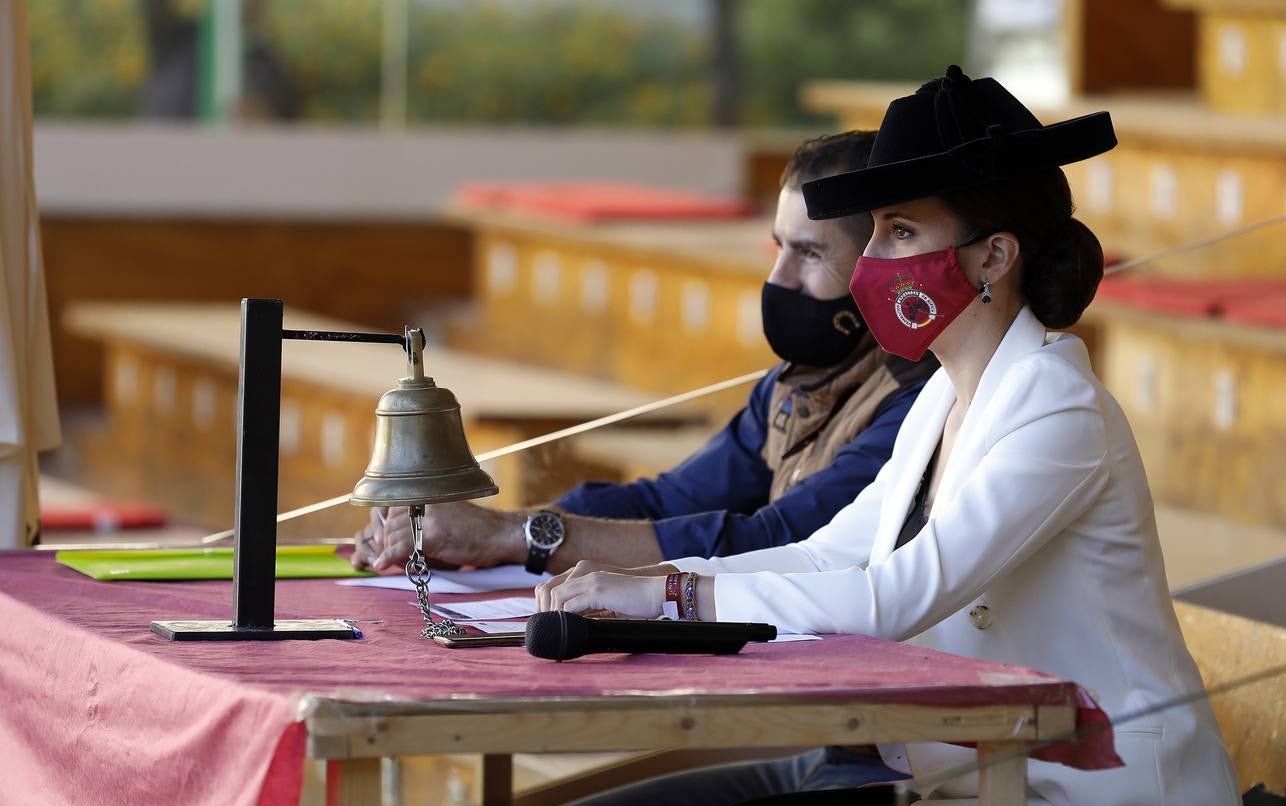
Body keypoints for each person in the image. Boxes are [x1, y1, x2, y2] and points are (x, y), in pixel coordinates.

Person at [534, 66, 1246, 806]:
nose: (870, 260)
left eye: (899, 232)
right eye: (872, 232)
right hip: (991, 790)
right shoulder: (944, 392)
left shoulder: (1059, 408)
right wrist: (651, 585)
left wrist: (667, 604)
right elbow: (826, 554)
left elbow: (896, 595)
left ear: (993, 256)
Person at [352, 131, 938, 577]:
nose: (778, 279)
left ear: (884, 267)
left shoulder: (916, 398)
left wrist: (515, 536)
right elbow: (665, 500)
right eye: (778, 248)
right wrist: (476, 532)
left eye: (809, 254)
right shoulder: (794, 382)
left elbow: (776, 541)